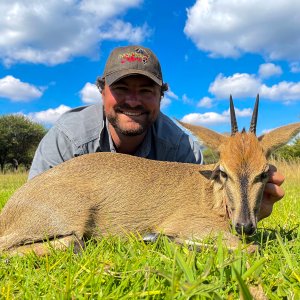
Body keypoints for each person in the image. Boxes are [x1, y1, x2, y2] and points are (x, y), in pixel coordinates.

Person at [29, 45, 284, 220]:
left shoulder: (179, 145)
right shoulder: (69, 137)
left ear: (161, 96)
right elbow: (36, 201)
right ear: (102, 90)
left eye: (146, 91)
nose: (133, 101)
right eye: (121, 88)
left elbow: (201, 204)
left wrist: (242, 207)